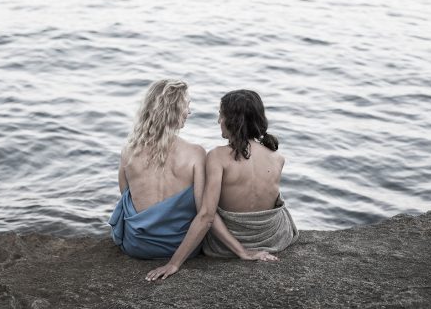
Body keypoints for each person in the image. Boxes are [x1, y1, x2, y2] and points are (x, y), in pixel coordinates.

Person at [146, 89, 298, 281]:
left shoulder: (217, 157)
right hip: (274, 239)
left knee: (199, 201)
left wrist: (174, 263)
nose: (218, 121)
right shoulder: (277, 157)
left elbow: (207, 215)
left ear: (233, 120)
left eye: (221, 115)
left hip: (226, 246)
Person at [108, 79, 205, 259]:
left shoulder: (129, 151)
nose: (189, 112)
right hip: (182, 247)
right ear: (173, 110)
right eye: (186, 106)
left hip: (137, 246)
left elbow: (125, 196)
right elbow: (203, 212)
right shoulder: (196, 154)